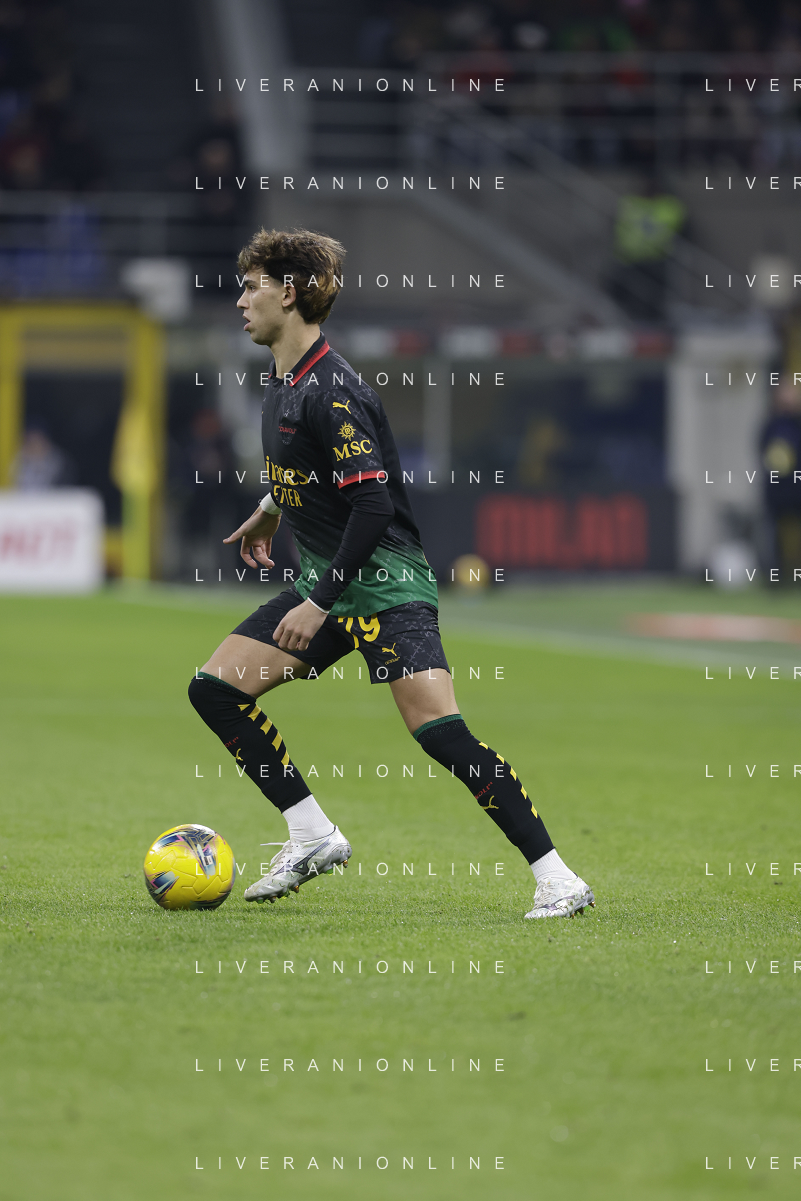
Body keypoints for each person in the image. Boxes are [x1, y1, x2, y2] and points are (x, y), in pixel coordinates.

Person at [188, 227, 594, 920]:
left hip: (384, 586)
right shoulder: (283, 378)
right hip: (328, 582)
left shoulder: (332, 390)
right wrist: (269, 509)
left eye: (251, 287)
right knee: (215, 689)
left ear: (289, 294)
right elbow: (310, 469)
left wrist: (319, 601)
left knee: (439, 730)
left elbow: (372, 503)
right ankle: (312, 834)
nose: (240, 301)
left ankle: (557, 877)